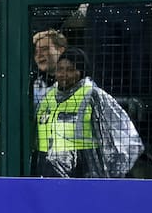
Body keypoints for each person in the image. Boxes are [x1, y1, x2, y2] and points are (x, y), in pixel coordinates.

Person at [33, 47, 143, 178]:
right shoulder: (47, 96)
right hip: (46, 168)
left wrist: (115, 171)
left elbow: (124, 135)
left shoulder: (93, 96)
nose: (63, 75)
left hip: (83, 170)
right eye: (60, 69)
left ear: (81, 72)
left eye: (70, 70)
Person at [32, 29, 68, 107]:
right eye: (36, 52)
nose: (39, 55)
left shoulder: (78, 82)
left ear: (61, 50)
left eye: (44, 49)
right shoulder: (35, 85)